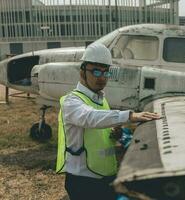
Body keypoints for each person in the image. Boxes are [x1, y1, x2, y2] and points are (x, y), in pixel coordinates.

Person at [56, 42, 160, 200]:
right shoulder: (71, 102)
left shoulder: (101, 100)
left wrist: (114, 134)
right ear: (82, 71)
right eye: (96, 72)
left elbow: (100, 127)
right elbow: (90, 117)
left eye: (106, 72)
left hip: (105, 177)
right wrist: (129, 116)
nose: (102, 78)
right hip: (84, 182)